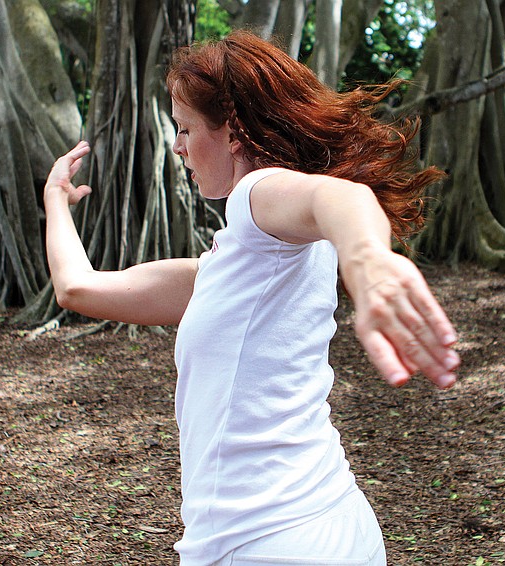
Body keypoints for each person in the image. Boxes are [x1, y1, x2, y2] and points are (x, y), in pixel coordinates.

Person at [44, 30, 460, 566]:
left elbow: (340, 197)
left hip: (263, 541)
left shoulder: (255, 195)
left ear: (235, 132)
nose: (179, 146)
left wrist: (370, 262)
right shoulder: (234, 269)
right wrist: (56, 200)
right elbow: (78, 287)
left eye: (187, 128)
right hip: (332, 524)